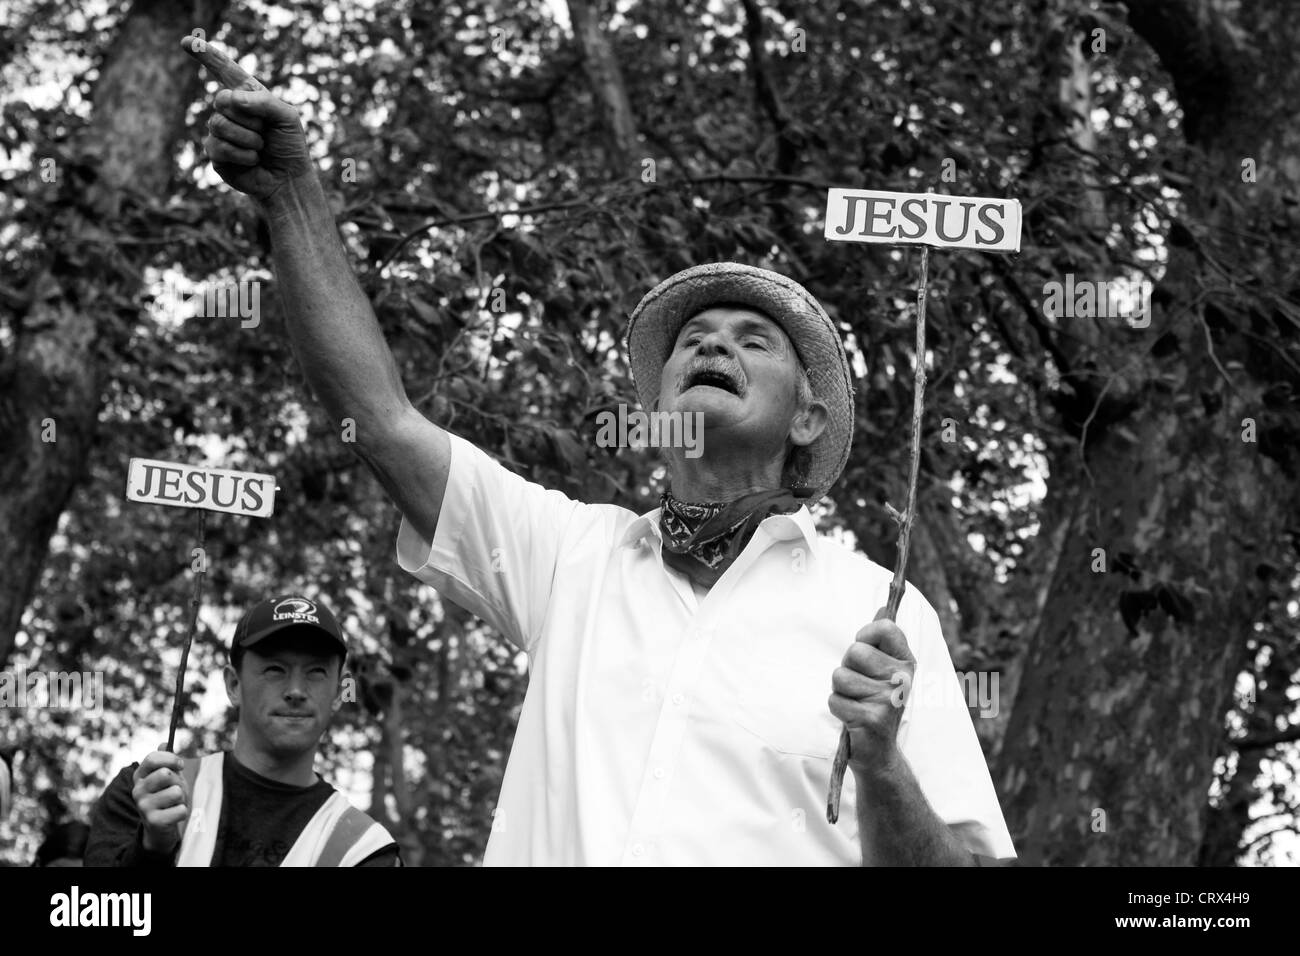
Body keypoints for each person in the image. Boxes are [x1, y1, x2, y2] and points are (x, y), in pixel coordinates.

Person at [181, 37, 1016, 866]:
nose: (712, 347)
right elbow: (379, 417)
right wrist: (291, 194)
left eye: (752, 341)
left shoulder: (880, 612)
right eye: (693, 338)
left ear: (806, 419)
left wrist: (880, 765)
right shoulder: (572, 557)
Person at [85, 595, 399, 867]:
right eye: (275, 669)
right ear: (234, 685)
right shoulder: (148, 794)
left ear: (339, 691)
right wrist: (152, 850)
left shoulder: (363, 850)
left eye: (316, 672)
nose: (295, 690)